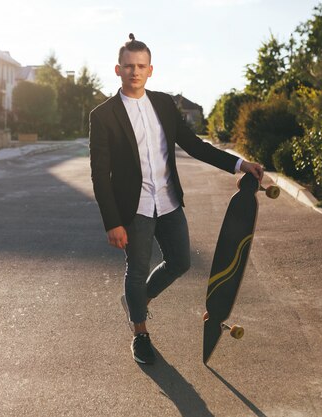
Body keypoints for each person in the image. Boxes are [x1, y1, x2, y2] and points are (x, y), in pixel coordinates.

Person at [89, 34, 264, 365]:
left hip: (168, 201)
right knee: (137, 269)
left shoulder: (165, 105)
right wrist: (112, 222)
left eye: (141, 66)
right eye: (128, 66)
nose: (134, 72)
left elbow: (196, 146)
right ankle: (140, 333)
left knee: (180, 261)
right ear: (117, 69)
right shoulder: (104, 115)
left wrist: (240, 164)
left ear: (150, 69)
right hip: (134, 207)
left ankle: (138, 300)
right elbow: (100, 175)